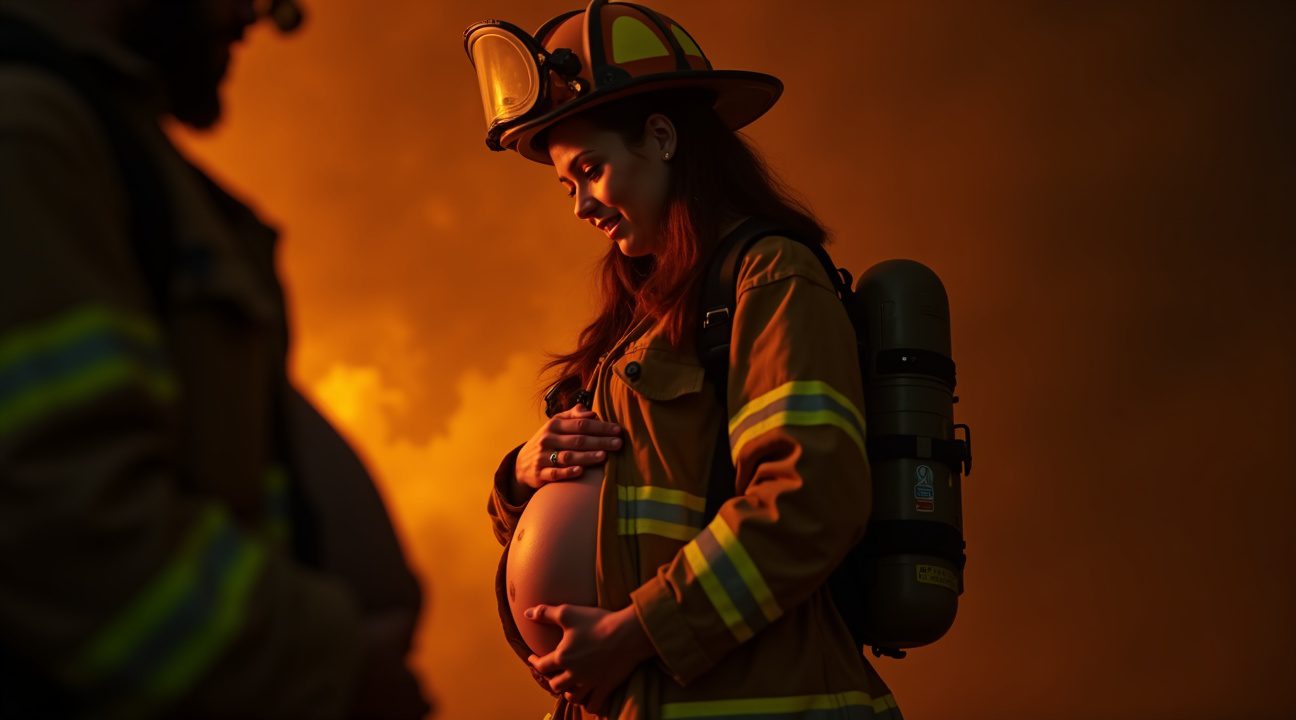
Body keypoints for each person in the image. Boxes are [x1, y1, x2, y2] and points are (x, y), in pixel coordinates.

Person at [468, 1, 902, 717]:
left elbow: (807, 502)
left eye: (591, 169)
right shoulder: (631, 327)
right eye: (566, 185)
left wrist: (634, 635)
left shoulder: (769, 279)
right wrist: (517, 479)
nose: (580, 205)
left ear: (662, 138)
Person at [0, 0, 430, 717]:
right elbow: (61, 531)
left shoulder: (95, 138)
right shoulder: (26, 134)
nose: (275, 16)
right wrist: (333, 672)